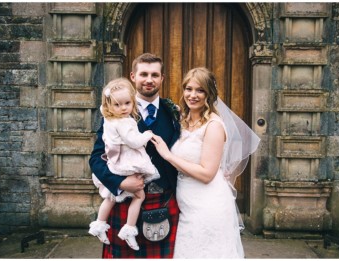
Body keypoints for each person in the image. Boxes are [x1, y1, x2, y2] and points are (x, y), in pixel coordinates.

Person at [150, 67, 258, 258]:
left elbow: (207, 174)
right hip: (185, 202)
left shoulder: (214, 125)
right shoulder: (182, 121)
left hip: (208, 204)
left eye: (200, 90)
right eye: (188, 89)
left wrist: (169, 156)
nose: (193, 95)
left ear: (209, 94)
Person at [89, 53, 181, 258]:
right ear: (133, 76)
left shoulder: (172, 112)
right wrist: (120, 183)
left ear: (162, 78)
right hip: (124, 200)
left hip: (164, 200)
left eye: (155, 74)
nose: (149, 79)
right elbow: (96, 158)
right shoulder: (115, 112)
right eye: (144, 74)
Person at [88, 78, 159, 251]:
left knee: (110, 197)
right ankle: (128, 229)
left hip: (118, 164)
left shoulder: (111, 119)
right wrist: (147, 135)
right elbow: (133, 141)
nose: (123, 108)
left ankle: (99, 224)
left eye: (127, 103)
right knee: (138, 195)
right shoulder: (123, 121)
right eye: (118, 105)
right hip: (128, 165)